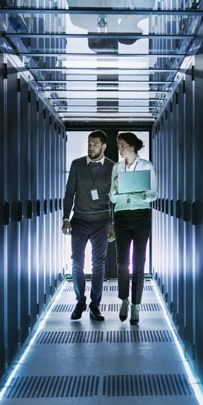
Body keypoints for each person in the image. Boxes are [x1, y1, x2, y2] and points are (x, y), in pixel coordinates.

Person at [62, 130, 116, 321]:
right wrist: (65, 218)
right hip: (80, 220)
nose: (90, 146)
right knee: (77, 262)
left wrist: (113, 224)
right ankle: (79, 301)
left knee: (98, 264)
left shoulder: (113, 167)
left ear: (103, 146)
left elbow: (115, 198)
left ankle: (95, 305)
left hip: (102, 221)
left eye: (94, 144)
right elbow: (69, 194)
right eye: (89, 143)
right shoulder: (77, 165)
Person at [109, 132, 158, 325]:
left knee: (139, 263)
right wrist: (116, 188)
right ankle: (124, 300)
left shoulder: (146, 166)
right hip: (121, 216)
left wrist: (138, 193)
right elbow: (112, 199)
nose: (119, 149)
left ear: (131, 146)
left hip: (141, 217)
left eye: (122, 145)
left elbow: (153, 194)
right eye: (119, 146)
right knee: (122, 262)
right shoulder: (117, 167)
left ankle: (136, 306)